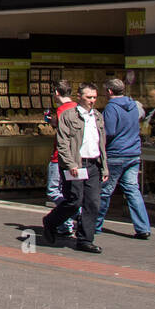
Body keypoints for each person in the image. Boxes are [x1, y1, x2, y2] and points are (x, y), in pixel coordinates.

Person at [42, 83, 108, 254]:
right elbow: (63, 142)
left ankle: (85, 240)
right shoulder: (69, 116)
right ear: (79, 96)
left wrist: (104, 168)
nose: (92, 101)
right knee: (74, 200)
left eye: (94, 97)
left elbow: (101, 144)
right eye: (89, 97)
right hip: (76, 164)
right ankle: (50, 221)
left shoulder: (98, 117)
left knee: (93, 203)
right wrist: (70, 164)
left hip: (93, 164)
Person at [93, 77, 151, 240]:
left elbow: (109, 131)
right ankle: (143, 227)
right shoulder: (133, 105)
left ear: (109, 91)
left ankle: (95, 225)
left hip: (116, 154)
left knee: (105, 191)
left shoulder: (111, 108)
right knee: (133, 190)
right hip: (133, 153)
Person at [45, 80, 81, 239]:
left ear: (57, 93)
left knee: (53, 190)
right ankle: (66, 225)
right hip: (76, 158)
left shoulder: (62, 110)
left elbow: (62, 135)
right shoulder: (76, 108)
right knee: (68, 191)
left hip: (59, 157)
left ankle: (76, 213)